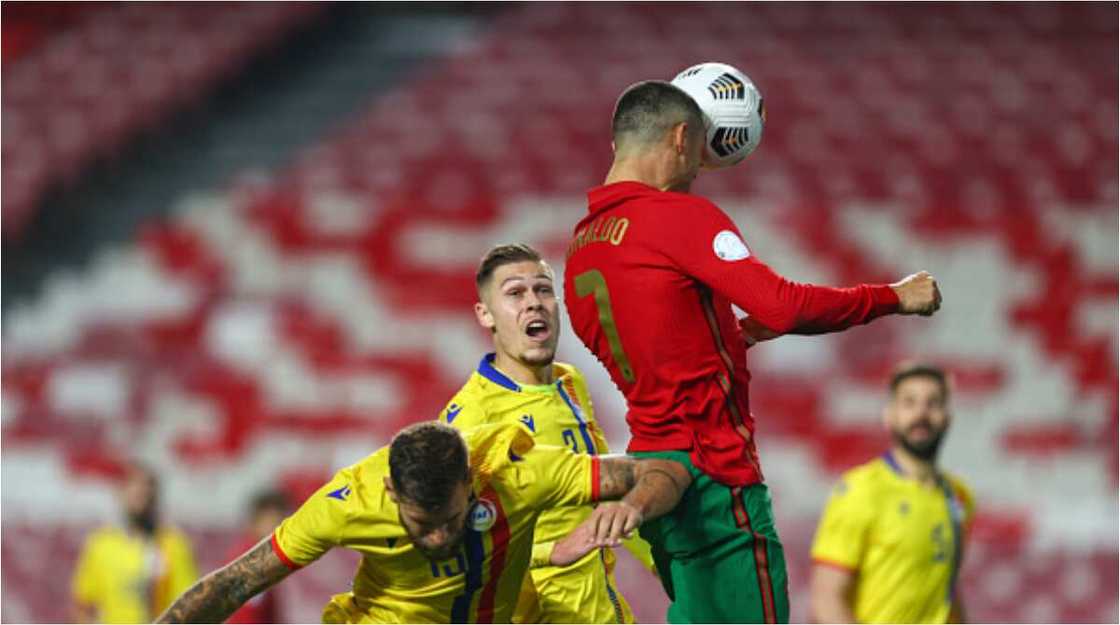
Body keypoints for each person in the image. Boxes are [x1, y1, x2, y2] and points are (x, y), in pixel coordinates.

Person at [562, 80, 943, 624]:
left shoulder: (581, 248)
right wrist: (893, 297)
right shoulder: (679, 217)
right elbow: (785, 305)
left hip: (656, 467)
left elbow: (657, 352)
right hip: (717, 481)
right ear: (680, 137)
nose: (700, 168)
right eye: (699, 151)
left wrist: (733, 336)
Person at [156, 420, 691, 623]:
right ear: (391, 490)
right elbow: (235, 582)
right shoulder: (345, 505)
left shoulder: (519, 475)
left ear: (471, 484)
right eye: (422, 523)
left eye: (451, 518)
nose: (438, 537)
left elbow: (664, 471)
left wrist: (632, 507)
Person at [441, 242, 655, 623]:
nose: (533, 302)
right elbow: (446, 541)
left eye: (542, 289)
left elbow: (608, 495)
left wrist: (659, 563)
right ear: (486, 315)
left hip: (600, 607)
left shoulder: (569, 382)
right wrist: (550, 553)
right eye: (515, 293)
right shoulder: (472, 418)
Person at [810, 362, 974, 624]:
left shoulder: (960, 497)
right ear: (889, 416)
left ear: (947, 417)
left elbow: (947, 584)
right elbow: (826, 601)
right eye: (909, 402)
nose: (921, 412)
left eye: (933, 403)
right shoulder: (860, 490)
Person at [71, 463, 199, 623]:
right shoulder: (101, 544)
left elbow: (190, 603)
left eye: (146, 492)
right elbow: (84, 605)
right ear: (120, 494)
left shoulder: (172, 543)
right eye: (135, 491)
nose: (141, 497)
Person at [225, 490, 291, 624]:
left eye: (279, 523)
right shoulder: (251, 561)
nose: (275, 529)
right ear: (254, 522)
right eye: (270, 522)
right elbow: (246, 615)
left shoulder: (267, 557)